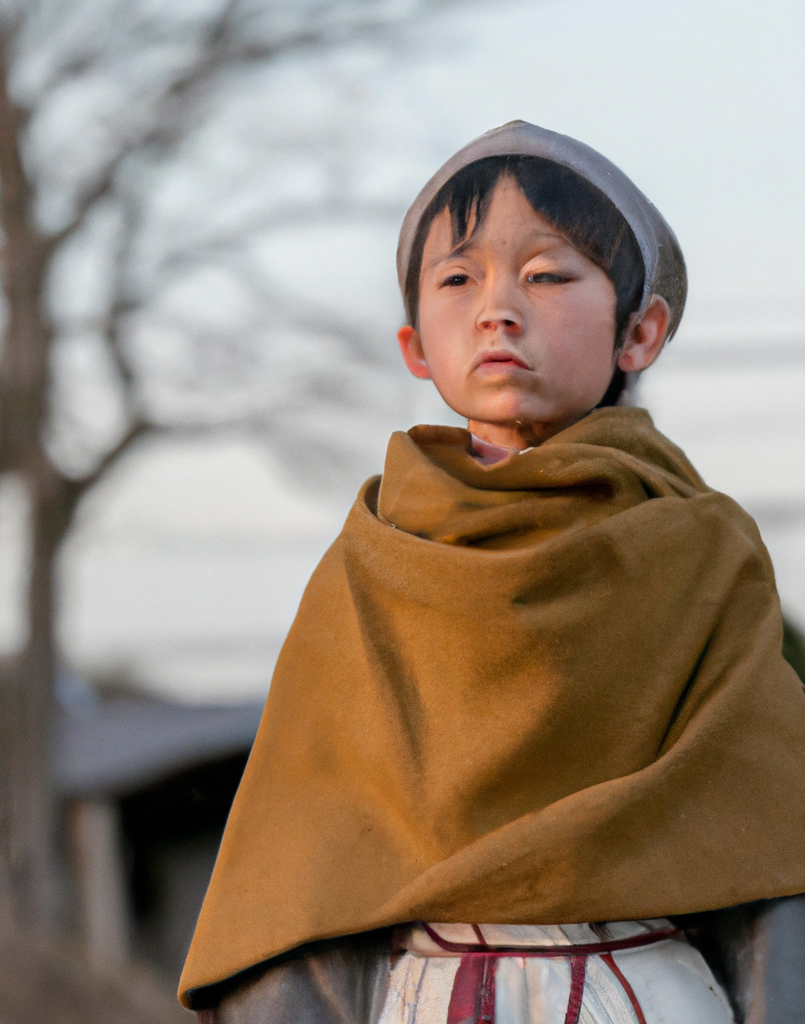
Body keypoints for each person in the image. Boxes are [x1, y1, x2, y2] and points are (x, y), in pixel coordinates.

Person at [179, 122, 805, 1023]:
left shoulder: (703, 552)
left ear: (643, 331)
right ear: (416, 348)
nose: (497, 309)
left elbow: (771, 842)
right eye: (457, 279)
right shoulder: (372, 566)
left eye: (548, 275)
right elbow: (298, 867)